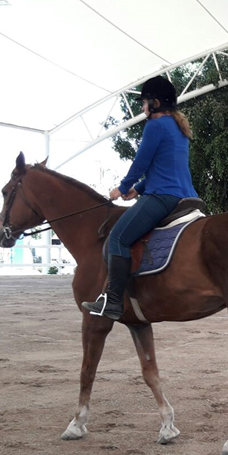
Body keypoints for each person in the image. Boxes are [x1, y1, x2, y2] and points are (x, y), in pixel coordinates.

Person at [82, 76, 198, 320]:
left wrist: (123, 187)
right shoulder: (178, 128)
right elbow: (169, 167)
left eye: (144, 103)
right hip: (187, 196)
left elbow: (141, 163)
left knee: (117, 238)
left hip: (164, 197)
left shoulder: (155, 126)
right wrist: (140, 188)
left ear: (155, 103)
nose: (142, 108)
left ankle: (113, 301)